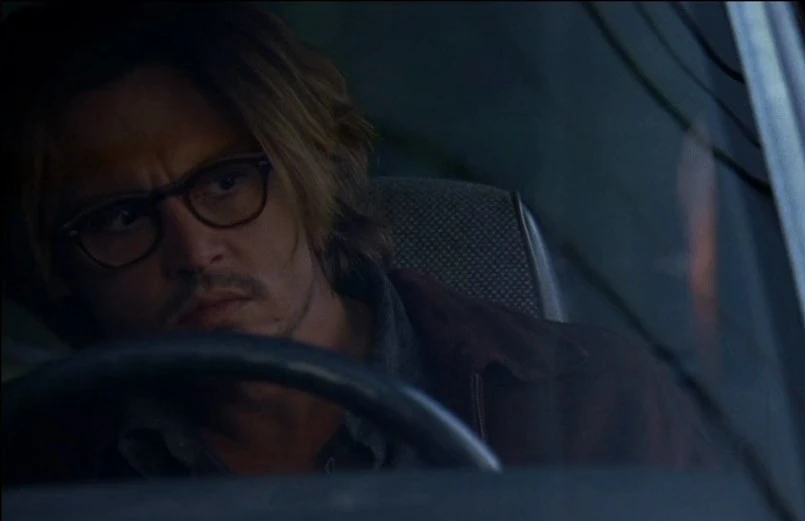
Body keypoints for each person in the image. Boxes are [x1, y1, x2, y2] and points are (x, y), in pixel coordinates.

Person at [0, 2, 716, 484]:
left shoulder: (596, 406)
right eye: (120, 218)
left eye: (226, 183)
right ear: (59, 266)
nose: (193, 251)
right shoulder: (37, 471)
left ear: (312, 182)